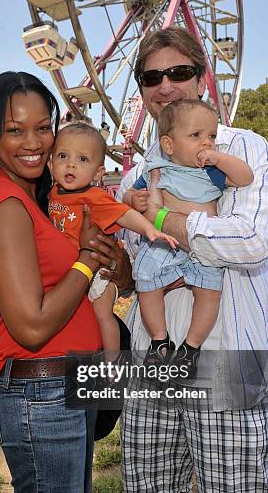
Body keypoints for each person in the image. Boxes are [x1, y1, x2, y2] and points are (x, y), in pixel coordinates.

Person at [116, 28, 268, 493]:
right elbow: (133, 269)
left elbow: (252, 242)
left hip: (230, 357)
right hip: (154, 358)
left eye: (178, 73)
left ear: (202, 76)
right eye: (152, 77)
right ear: (142, 91)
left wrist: (165, 220)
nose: (166, 86)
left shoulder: (244, 148)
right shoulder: (134, 176)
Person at [0, 71, 128, 493]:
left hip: (66, 386)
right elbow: (31, 325)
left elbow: (118, 274)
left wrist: (102, 252)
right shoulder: (2, 203)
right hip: (39, 391)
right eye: (15, 130)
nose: (33, 143)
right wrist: (82, 263)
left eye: (43, 127)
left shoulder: (46, 200)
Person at [122, 99, 253, 372]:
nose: (207, 143)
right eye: (196, 136)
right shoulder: (157, 168)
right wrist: (134, 200)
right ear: (169, 145)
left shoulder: (212, 172)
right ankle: (160, 339)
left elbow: (245, 178)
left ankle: (191, 346)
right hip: (162, 244)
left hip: (201, 248)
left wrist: (221, 159)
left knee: (209, 294)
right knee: (146, 285)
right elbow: (128, 196)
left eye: (212, 136)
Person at [49, 122, 177, 359]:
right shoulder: (52, 193)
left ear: (98, 173)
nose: (71, 164)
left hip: (102, 268)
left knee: (101, 311)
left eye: (82, 159)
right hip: (76, 269)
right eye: (63, 156)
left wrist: (149, 229)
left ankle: (111, 361)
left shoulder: (94, 197)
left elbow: (124, 214)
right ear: (50, 163)